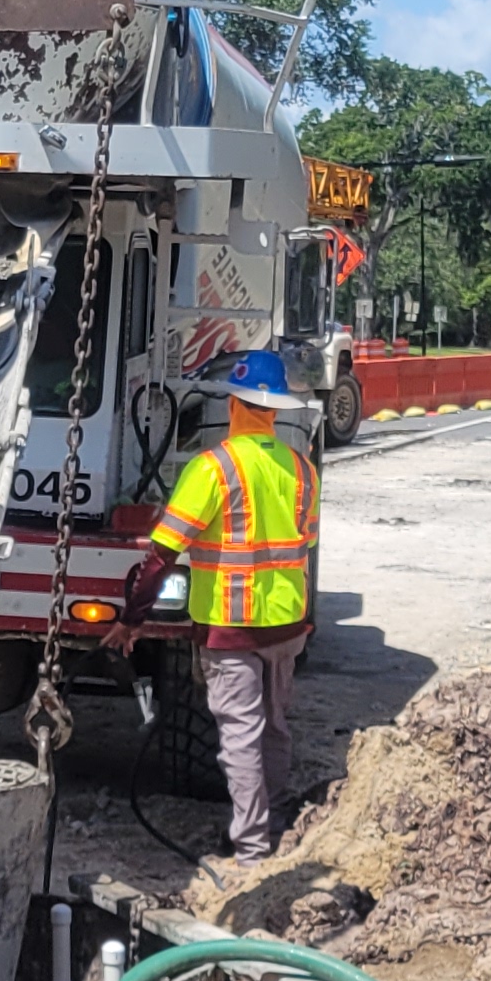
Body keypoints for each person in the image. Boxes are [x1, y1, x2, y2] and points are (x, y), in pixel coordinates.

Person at [108, 350, 322, 871]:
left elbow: (162, 555)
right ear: (274, 411)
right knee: (274, 726)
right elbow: (302, 544)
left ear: (234, 404)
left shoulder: (215, 468)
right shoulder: (301, 470)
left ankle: (251, 850)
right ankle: (269, 826)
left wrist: (131, 618)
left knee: (240, 736)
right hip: (288, 624)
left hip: (231, 626)